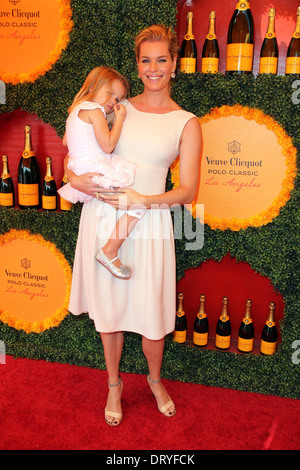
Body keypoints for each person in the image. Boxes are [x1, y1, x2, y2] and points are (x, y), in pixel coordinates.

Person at [65, 25, 202, 427]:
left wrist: (144, 200)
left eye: (162, 60)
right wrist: (73, 179)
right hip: (104, 218)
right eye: (146, 60)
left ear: (174, 65)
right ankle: (113, 384)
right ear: (138, 65)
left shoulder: (186, 121)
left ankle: (155, 379)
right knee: (110, 309)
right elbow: (80, 146)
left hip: (151, 221)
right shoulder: (115, 106)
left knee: (151, 312)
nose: (153, 68)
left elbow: (189, 190)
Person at [59, 66, 145, 280]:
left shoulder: (76, 111)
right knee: (138, 206)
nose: (113, 102)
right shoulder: (95, 111)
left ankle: (109, 251)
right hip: (97, 173)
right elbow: (107, 146)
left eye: (118, 99)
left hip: (83, 171)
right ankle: (109, 252)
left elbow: (65, 142)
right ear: (93, 86)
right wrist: (121, 119)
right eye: (110, 93)